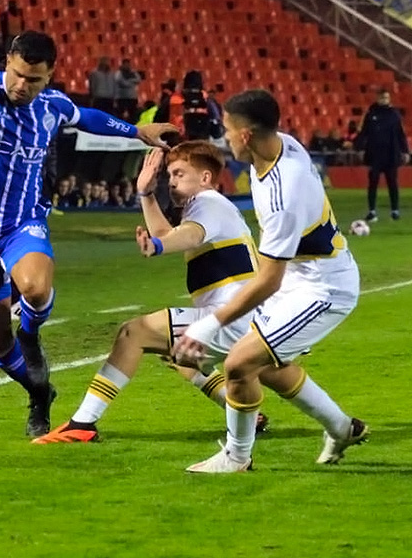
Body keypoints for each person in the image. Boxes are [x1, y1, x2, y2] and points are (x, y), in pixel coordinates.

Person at [0, 30, 176, 437]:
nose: (23, 86)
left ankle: (32, 331)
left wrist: (137, 132)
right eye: (18, 75)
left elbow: (85, 116)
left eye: (34, 80)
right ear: (7, 63)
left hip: (23, 222)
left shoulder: (52, 106)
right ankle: (39, 393)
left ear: (50, 75)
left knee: (35, 289)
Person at [173, 89, 368, 473]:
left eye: (227, 131)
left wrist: (209, 325)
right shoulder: (283, 147)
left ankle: (237, 457)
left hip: (323, 287)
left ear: (246, 135)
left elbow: (268, 280)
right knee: (269, 367)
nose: (223, 139)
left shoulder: (284, 192)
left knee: (240, 363)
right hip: (305, 274)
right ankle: (343, 428)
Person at [33, 141, 278, 444]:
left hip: (232, 318)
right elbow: (167, 233)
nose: (171, 181)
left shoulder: (208, 203)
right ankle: (242, 410)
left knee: (133, 333)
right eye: (170, 175)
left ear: (204, 177)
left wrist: (159, 246)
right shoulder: (210, 206)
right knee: (180, 355)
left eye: (179, 173)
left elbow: (188, 236)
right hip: (244, 317)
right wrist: (146, 194)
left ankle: (83, 423)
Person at [354, 89, 409, 222]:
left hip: (391, 153)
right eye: (382, 98)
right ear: (377, 98)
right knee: (373, 183)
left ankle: (395, 210)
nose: (384, 100)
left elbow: (401, 134)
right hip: (375, 154)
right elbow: (363, 133)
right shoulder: (370, 114)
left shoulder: (395, 115)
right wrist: (360, 148)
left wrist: (405, 151)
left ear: (389, 99)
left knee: (392, 183)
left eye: (386, 98)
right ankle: (372, 211)